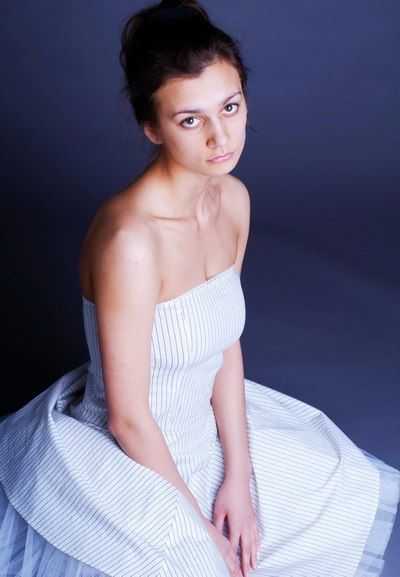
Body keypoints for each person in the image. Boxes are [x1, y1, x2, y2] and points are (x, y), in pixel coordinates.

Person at [0, 1, 399, 576]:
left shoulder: (233, 199)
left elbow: (224, 344)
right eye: (190, 120)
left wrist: (239, 478)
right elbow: (128, 419)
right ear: (152, 127)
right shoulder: (130, 241)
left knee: (339, 488)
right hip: (130, 451)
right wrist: (198, 529)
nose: (220, 136)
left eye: (230, 107)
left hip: (200, 427)